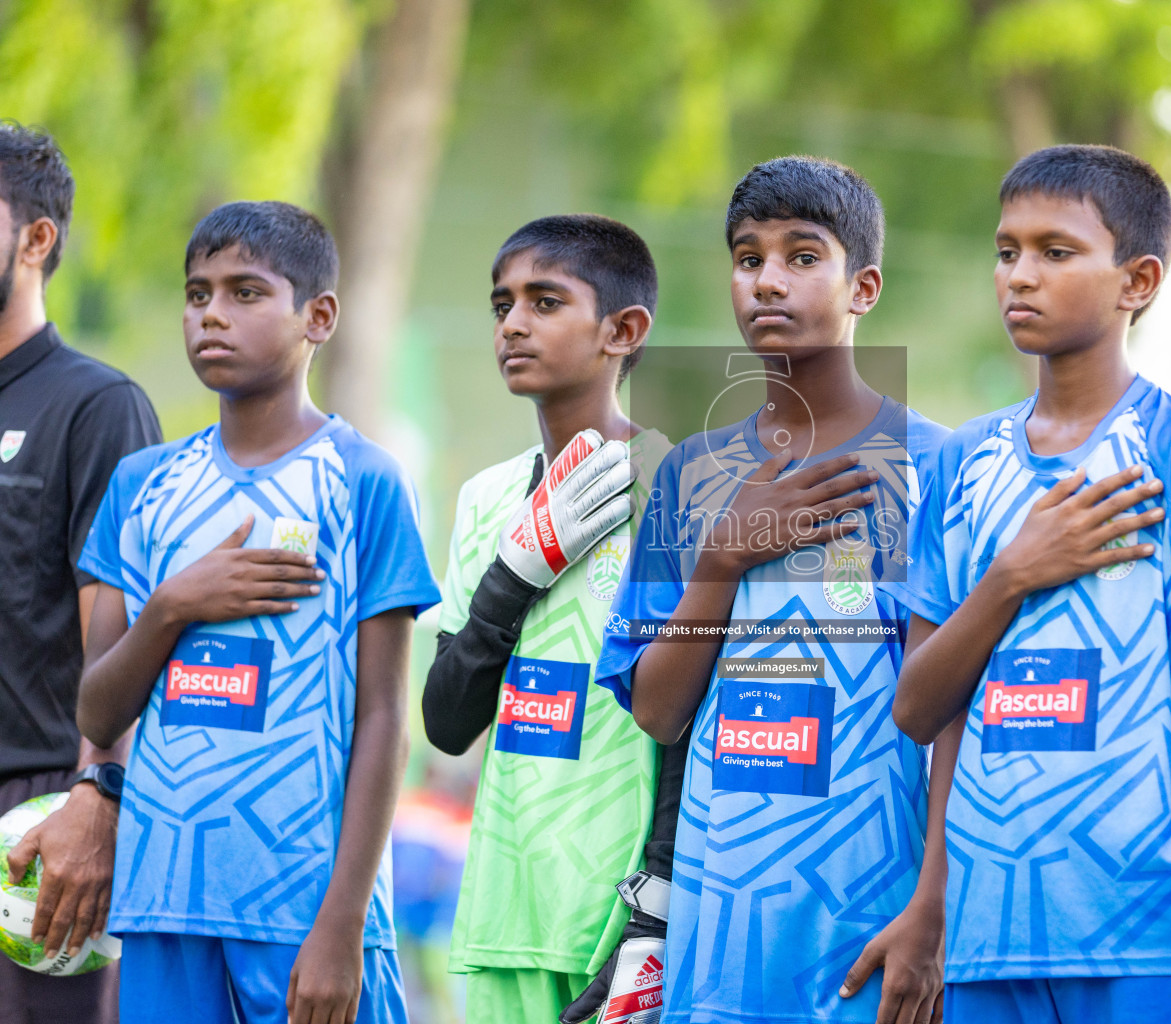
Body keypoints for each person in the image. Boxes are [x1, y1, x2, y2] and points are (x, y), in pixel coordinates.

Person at [892, 144, 1171, 1024]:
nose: (1019, 277)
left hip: (1151, 935)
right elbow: (920, 708)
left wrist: (1147, 723)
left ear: (1138, 281)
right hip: (988, 936)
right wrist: (1011, 577)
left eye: (1056, 251)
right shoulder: (963, 464)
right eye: (1007, 252)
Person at [596, 155, 951, 1024]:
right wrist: (721, 560)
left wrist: (932, 914)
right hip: (720, 935)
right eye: (748, 257)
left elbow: (952, 720)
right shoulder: (689, 473)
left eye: (801, 256)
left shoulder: (939, 464)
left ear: (863, 287)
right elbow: (656, 711)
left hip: (871, 920)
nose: (766, 281)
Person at [71, 200, 440, 1024]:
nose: (211, 314)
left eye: (244, 292)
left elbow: (383, 719)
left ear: (319, 315)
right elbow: (98, 708)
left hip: (306, 909)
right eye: (197, 293)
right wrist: (171, 607)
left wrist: (344, 924)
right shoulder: (142, 486)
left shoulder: (364, 480)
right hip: (163, 901)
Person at [421, 213, 677, 1024]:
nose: (513, 324)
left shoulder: (679, 488)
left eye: (545, 301)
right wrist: (515, 572)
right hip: (506, 912)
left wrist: (656, 914)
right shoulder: (486, 498)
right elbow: (447, 720)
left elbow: (692, 727)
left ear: (622, 330)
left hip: (619, 925)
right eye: (502, 306)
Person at [0, 120, 160, 1024]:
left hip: (35, 828)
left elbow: (127, 636)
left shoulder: (96, 407)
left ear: (36, 238)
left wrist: (98, 796)